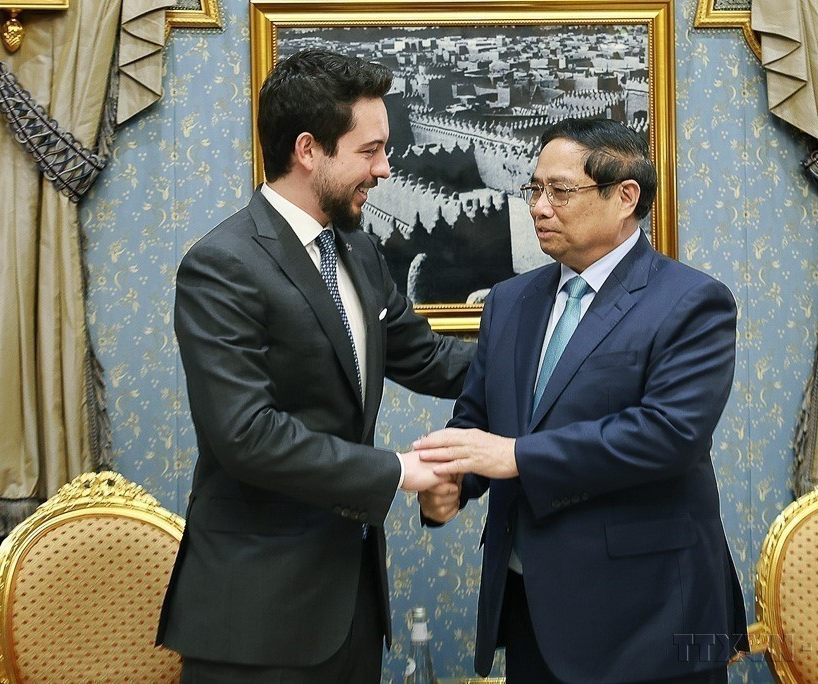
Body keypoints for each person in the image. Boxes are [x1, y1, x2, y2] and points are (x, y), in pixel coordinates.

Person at [156, 49, 474, 683]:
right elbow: (247, 434)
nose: (385, 169)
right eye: (370, 151)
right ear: (309, 150)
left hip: (351, 609)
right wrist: (399, 472)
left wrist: (563, 356)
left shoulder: (357, 250)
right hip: (255, 619)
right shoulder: (223, 265)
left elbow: (432, 359)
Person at [416, 118, 749, 683]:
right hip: (531, 605)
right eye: (535, 189)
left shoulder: (692, 302)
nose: (540, 208)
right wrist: (449, 484)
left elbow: (668, 436)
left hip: (649, 615)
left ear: (625, 198)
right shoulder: (509, 301)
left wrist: (519, 457)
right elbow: (479, 421)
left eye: (560, 191)